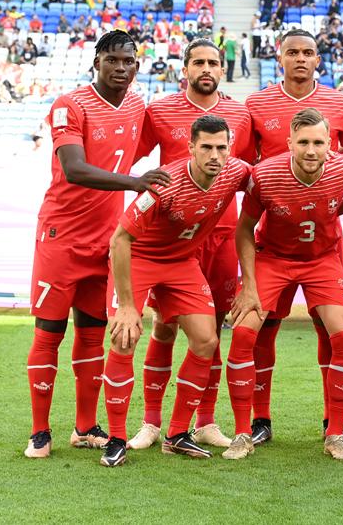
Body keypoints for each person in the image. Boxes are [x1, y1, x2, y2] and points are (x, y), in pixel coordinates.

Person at [23, 31, 169, 459]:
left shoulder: (137, 106)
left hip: (107, 240)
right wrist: (134, 183)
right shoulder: (70, 105)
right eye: (112, 60)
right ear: (96, 62)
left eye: (128, 61)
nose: (121, 67)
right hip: (61, 237)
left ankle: (84, 427)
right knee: (49, 333)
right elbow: (75, 169)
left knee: (91, 335)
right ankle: (39, 431)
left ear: (137, 66)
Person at [126, 38, 256, 451]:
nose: (206, 68)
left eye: (213, 62)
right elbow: (132, 161)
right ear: (184, 69)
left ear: (223, 68)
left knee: (212, 328)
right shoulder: (160, 109)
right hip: (171, 236)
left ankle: (204, 421)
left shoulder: (240, 113)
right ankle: (151, 422)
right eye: (197, 62)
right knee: (163, 326)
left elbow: (248, 171)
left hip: (221, 232)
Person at [229, 108, 343, 461]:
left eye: (318, 143)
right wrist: (248, 285)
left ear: (330, 145)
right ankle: (243, 433)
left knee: (342, 337)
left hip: (321, 260)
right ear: (289, 143)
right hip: (273, 259)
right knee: (244, 335)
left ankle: (335, 434)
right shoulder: (265, 176)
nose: (311, 150)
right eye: (303, 143)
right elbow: (244, 228)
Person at [101, 115, 251, 467]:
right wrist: (127, 306)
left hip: (182, 262)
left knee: (206, 340)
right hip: (139, 258)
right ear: (191, 148)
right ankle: (116, 439)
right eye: (206, 147)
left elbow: (272, 176)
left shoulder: (235, 172)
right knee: (125, 335)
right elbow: (120, 240)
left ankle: (177, 434)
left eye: (221, 148)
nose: (214, 155)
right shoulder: (164, 185)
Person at [244, 29, 343, 447]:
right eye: (292, 52)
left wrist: (338, 206)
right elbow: (241, 165)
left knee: (330, 328)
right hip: (274, 236)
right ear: (279, 58)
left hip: (323, 242)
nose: (300, 58)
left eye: (308, 52)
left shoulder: (341, 104)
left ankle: (334, 422)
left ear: (318, 59)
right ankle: (259, 420)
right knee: (264, 328)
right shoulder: (256, 104)